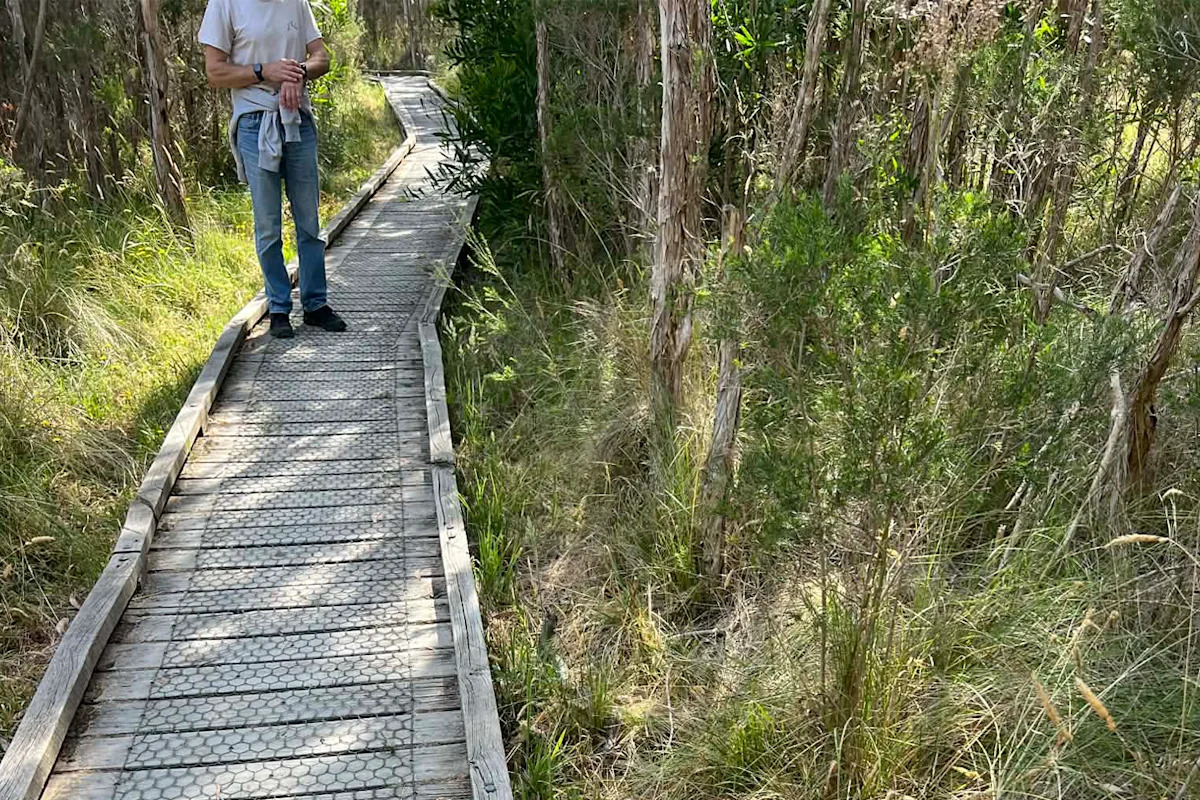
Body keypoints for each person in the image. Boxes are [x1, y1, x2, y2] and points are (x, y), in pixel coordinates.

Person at [198, 0, 347, 339]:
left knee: (309, 221)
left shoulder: (295, 2)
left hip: (298, 120)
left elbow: (321, 56)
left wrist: (298, 72)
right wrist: (265, 71)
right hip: (254, 123)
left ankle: (316, 305)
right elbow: (215, 72)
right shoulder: (224, 5)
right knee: (268, 225)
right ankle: (278, 308)